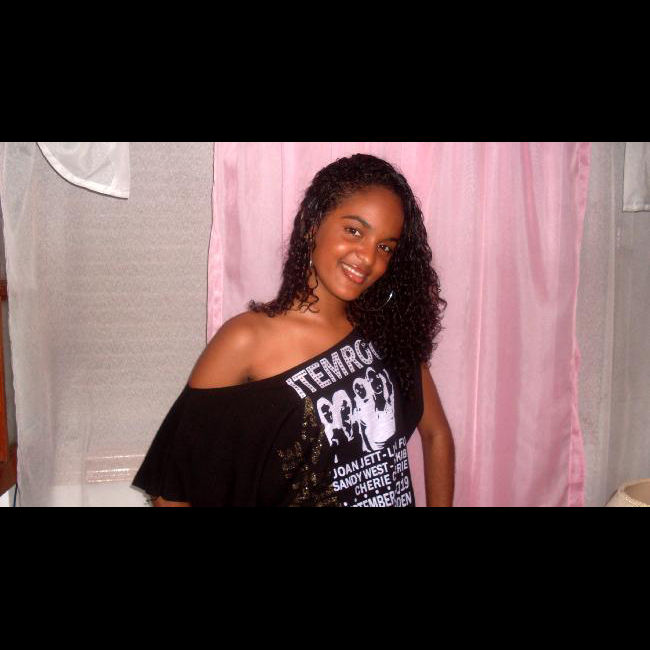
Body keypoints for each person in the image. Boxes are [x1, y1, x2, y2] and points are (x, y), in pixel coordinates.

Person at [132, 153, 455, 507]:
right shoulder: (246, 340)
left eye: (385, 247)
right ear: (312, 224)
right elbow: (170, 490)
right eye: (354, 231)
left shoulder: (384, 328)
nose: (368, 258)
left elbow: (436, 434)